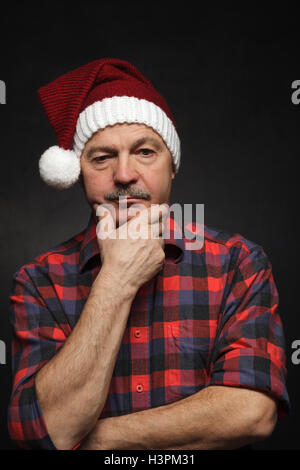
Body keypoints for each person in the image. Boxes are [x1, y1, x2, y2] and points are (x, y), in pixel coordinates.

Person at [8, 58, 290, 450]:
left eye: (144, 152)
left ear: (171, 166)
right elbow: (45, 429)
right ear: (77, 173)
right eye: (101, 157)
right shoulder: (39, 281)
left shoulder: (237, 263)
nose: (124, 175)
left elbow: (251, 411)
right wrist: (116, 279)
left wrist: (97, 441)